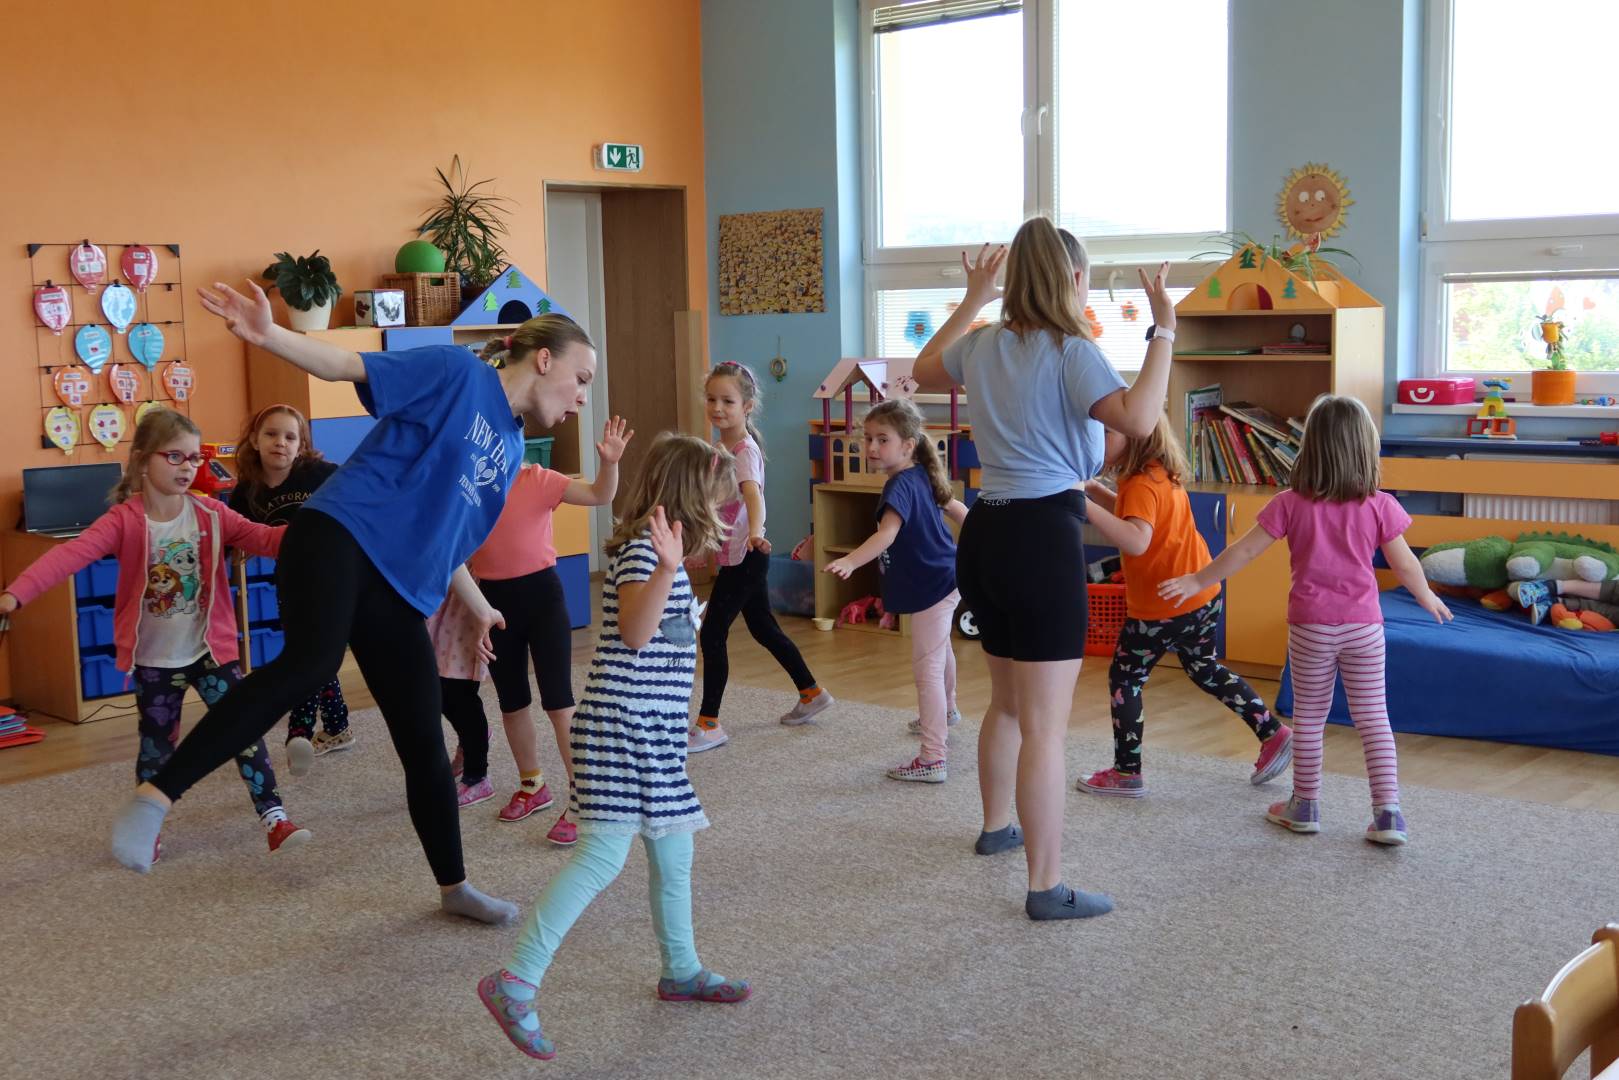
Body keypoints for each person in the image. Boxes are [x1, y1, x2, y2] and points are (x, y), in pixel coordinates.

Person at [108, 280, 596, 926]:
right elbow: (347, 365)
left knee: (423, 738)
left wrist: (476, 604)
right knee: (311, 664)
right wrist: (268, 335)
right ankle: (155, 796)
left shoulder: (508, 451)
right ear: (544, 359)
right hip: (338, 535)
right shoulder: (459, 373)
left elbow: (447, 536)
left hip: (398, 588)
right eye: (581, 378)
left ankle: (454, 888)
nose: (582, 396)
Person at [912, 217, 1176, 920]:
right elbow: (1141, 419)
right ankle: (1045, 887)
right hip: (1040, 539)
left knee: (1006, 704)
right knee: (1045, 729)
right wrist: (1163, 330)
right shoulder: (1071, 350)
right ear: (1074, 279)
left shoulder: (982, 344)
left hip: (986, 532)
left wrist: (974, 297)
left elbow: (923, 369)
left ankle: (997, 827)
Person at [479, 433, 751, 1061]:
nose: (725, 507)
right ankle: (515, 981)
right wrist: (666, 570)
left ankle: (680, 969)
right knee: (601, 857)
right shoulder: (641, 553)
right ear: (691, 495)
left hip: (653, 733)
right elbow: (633, 632)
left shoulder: (662, 555)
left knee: (674, 852)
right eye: (719, 495)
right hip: (622, 729)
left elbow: (663, 639)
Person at [1, 407, 308, 860]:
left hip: (211, 652)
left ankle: (275, 818)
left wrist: (318, 532)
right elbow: (67, 558)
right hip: (154, 661)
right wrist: (15, 594)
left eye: (194, 459)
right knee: (156, 749)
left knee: (243, 731)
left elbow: (265, 539)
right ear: (144, 459)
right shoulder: (123, 521)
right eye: (175, 457)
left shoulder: (210, 513)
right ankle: (148, 828)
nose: (187, 467)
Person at [1160, 394, 1453, 846]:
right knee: (1374, 718)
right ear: (1366, 448)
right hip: (1364, 627)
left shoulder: (1290, 503)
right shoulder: (1378, 504)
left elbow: (1244, 551)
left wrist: (1199, 579)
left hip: (1311, 626)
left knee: (1311, 718)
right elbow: (1405, 563)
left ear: (1309, 447)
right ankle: (1388, 814)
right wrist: (1426, 596)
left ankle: (1305, 805)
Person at [1076, 417, 1293, 797]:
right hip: (1199, 594)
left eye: (1107, 432)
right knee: (1204, 667)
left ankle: (1126, 772)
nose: (1097, 437)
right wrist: (1094, 490)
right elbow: (1136, 518)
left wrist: (1082, 504)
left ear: (1135, 436)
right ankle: (1272, 732)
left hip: (1162, 604)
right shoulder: (1157, 473)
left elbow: (1136, 540)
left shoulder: (1140, 483)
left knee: (1126, 680)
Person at [460, 410, 632, 846]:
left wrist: (610, 463)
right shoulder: (471, 487)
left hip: (543, 599)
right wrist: (474, 613)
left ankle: (583, 797)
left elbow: (599, 495)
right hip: (494, 603)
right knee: (511, 701)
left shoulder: (539, 479)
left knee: (559, 703)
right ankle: (533, 784)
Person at [689, 361, 832, 752]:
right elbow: (717, 504)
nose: (718, 408)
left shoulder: (744, 452)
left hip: (749, 554)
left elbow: (753, 496)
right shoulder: (721, 449)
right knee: (764, 628)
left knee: (713, 633)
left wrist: (756, 532)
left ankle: (710, 722)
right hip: (739, 555)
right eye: (712, 399)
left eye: (728, 401)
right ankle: (811, 692)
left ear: (747, 406)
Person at [825, 397, 968, 782]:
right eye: (867, 438)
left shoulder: (900, 485)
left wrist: (851, 561)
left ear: (907, 445)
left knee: (927, 667)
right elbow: (957, 508)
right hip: (946, 576)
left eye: (882, 439)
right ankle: (947, 711)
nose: (871, 447)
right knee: (940, 652)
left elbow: (886, 534)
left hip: (933, 585)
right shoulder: (921, 473)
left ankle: (933, 757)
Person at [227, 402, 351, 773]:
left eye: (290, 437)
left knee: (307, 655)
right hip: (291, 580)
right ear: (254, 440)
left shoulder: (318, 474)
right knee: (312, 654)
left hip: (334, 574)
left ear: (301, 446)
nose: (280, 442)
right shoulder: (247, 490)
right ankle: (337, 728)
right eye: (271, 434)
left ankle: (299, 732)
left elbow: (358, 493)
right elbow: (232, 535)